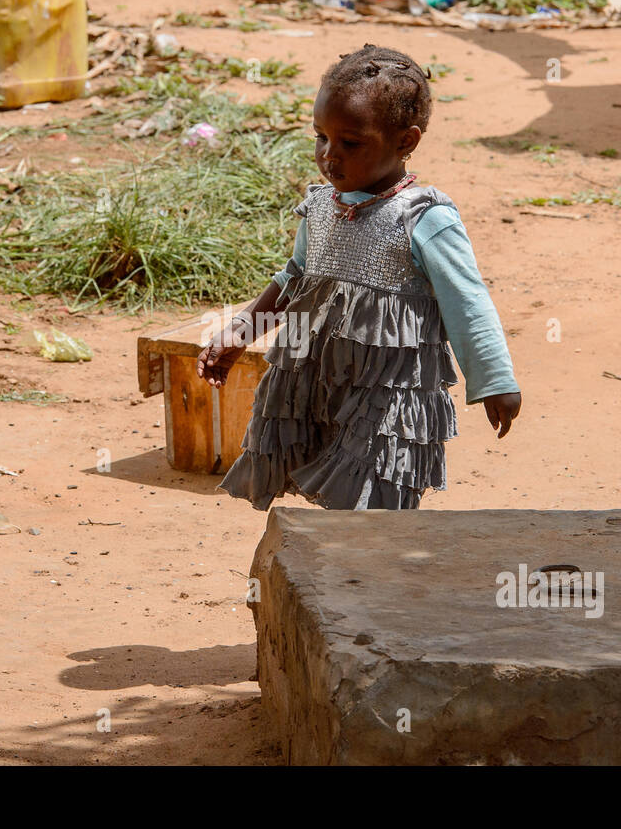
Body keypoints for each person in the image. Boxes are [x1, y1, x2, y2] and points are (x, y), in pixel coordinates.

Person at [198, 44, 521, 511]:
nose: (330, 156)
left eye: (350, 143)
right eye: (320, 138)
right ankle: (335, 579)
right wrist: (239, 333)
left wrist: (493, 380)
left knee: (374, 497)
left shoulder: (423, 218)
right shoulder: (321, 208)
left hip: (386, 396)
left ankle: (376, 578)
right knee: (328, 490)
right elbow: (296, 278)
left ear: (405, 142)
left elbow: (467, 301)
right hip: (313, 381)